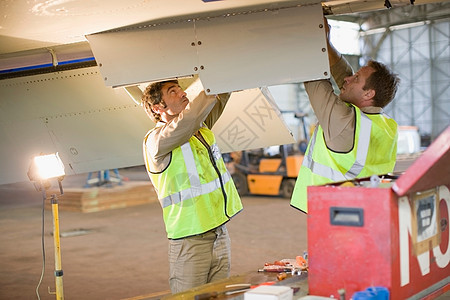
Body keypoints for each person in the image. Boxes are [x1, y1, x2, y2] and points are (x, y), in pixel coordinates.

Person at [141, 80, 243, 294]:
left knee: (219, 296)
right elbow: (190, 119)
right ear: (159, 108)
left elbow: (220, 96)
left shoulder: (199, 130)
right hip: (190, 241)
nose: (182, 92)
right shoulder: (156, 141)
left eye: (179, 88)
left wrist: (222, 73)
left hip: (219, 233)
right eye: (173, 92)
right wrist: (208, 92)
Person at [290, 19, 400, 213]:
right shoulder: (385, 125)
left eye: (356, 78)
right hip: (365, 210)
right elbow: (346, 78)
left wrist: (307, 36)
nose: (348, 79)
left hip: (332, 215)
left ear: (369, 94)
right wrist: (326, 44)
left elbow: (313, 79)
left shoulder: (344, 123)